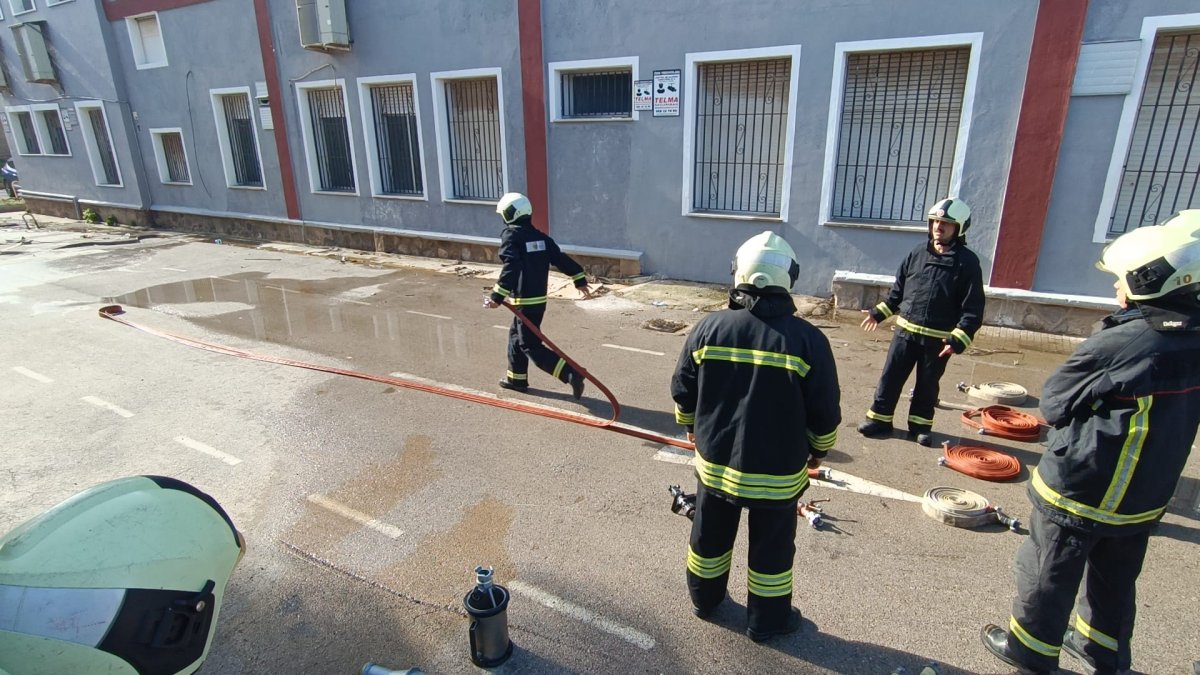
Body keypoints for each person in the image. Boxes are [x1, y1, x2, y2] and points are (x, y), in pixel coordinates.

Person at [980, 211, 1200, 675]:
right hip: (1144, 495)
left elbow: (1057, 403)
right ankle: (1101, 651)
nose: (1116, 289)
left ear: (1149, 279)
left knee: (1047, 568)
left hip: (1082, 485)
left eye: (1121, 280)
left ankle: (1030, 649)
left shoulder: (1128, 340)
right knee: (1114, 580)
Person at [670, 231, 841, 642]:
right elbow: (825, 411)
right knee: (772, 551)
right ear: (789, 278)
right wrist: (818, 451)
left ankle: (704, 600)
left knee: (708, 537)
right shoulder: (809, 342)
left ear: (738, 273)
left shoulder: (707, 328)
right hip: (778, 477)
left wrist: (690, 425)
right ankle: (766, 621)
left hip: (716, 469)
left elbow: (683, 388)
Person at [856, 198, 984, 446]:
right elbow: (899, 292)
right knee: (890, 378)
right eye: (936, 221)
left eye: (946, 223)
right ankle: (879, 419)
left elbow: (973, 308)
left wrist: (958, 339)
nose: (939, 227)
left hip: (937, 340)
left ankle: (920, 426)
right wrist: (878, 313)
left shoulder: (967, 263)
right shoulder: (917, 253)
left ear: (959, 228)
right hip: (905, 333)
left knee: (927, 385)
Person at [484, 192, 592, 398]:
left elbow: (511, 265)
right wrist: (579, 278)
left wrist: (497, 296)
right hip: (538, 301)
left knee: (529, 345)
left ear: (510, 214)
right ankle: (516, 380)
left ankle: (571, 374)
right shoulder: (541, 238)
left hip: (523, 301)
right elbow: (561, 259)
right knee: (516, 337)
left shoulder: (511, 236)